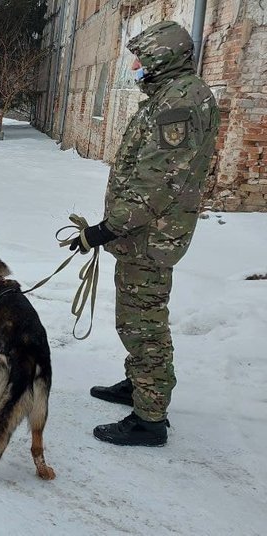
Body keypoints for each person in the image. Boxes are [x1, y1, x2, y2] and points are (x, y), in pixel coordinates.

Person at [69, 21, 219, 447]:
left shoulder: (181, 102)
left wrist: (106, 229)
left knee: (144, 324)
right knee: (136, 319)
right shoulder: (171, 95)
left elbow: (158, 180)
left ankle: (149, 418)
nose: (134, 65)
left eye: (141, 57)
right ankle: (140, 386)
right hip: (144, 236)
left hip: (150, 238)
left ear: (161, 57)